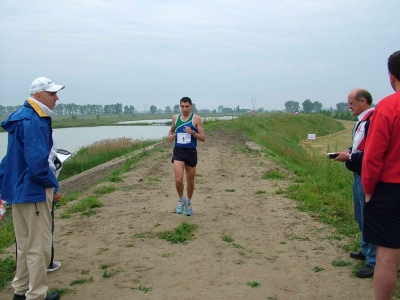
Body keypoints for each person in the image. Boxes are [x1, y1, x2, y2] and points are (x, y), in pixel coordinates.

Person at [0, 77, 64, 300]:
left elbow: (10, 158)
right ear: (37, 95)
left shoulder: (20, 117)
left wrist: (4, 184)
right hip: (34, 190)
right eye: (52, 93)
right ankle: (36, 294)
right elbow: (38, 165)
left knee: (24, 244)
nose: (56, 98)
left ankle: (20, 289)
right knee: (39, 246)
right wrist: (53, 186)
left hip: (18, 189)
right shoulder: (36, 120)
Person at [362, 50, 400, 300]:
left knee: (386, 257)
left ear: (391, 76)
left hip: (390, 190)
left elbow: (373, 156)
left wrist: (368, 189)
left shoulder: (388, 107)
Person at [333, 88, 376, 278]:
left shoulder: (373, 121)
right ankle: (365, 250)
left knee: (369, 218)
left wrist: (350, 156)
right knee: (360, 216)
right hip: (357, 174)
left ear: (363, 101)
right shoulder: (361, 122)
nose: (349, 106)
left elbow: (373, 153)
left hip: (366, 175)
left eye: (351, 103)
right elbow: (360, 145)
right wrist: (350, 151)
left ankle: (373, 262)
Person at [168, 97, 206, 216]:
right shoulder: (175, 118)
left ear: (191, 106)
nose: (184, 109)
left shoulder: (196, 119)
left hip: (191, 152)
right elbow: (171, 131)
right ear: (180, 106)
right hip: (179, 151)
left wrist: (193, 132)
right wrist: (171, 136)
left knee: (190, 181)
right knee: (178, 179)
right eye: (182, 106)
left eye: (187, 106)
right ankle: (181, 199)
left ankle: (188, 202)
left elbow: (203, 138)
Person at [47, 132, 63, 273]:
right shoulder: (42, 127)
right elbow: (47, 163)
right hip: (38, 193)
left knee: (23, 239)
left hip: (19, 192)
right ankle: (47, 263)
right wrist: (54, 189)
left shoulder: (16, 125)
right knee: (45, 230)